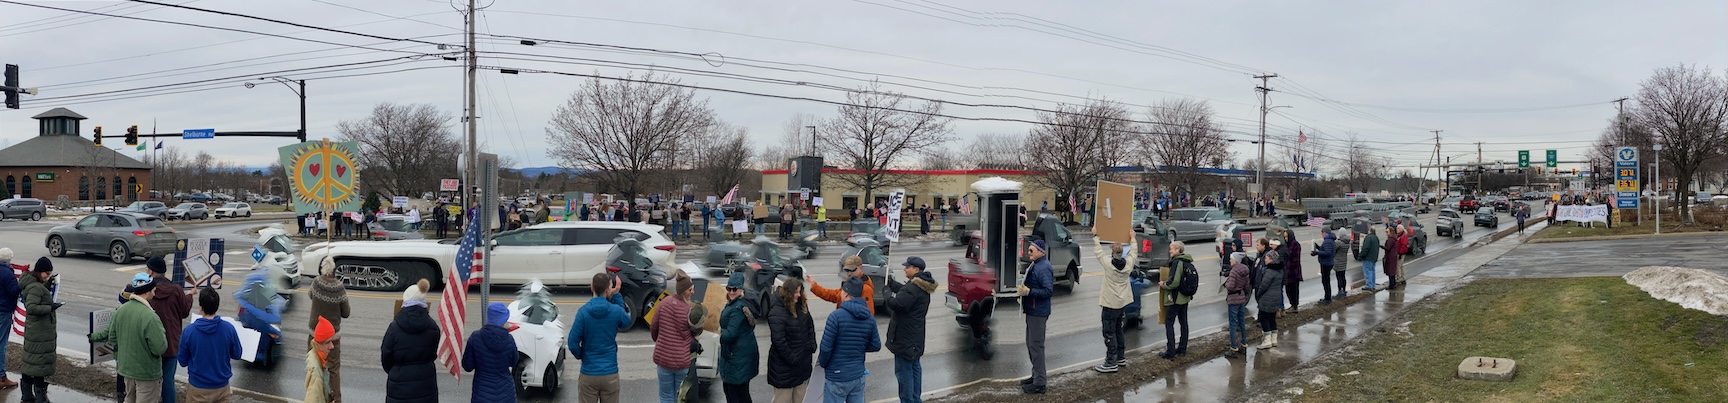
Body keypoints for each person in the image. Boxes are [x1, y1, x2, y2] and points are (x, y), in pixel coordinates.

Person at [91, 273, 168, 403]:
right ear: (147, 291)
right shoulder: (150, 317)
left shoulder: (120, 311)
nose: (155, 292)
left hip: (127, 370)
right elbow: (160, 348)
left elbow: (113, 338)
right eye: (153, 289)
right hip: (146, 373)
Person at [571, 272, 631, 403]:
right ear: (608, 289)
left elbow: (572, 343)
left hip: (588, 372)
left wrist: (582, 355)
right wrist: (616, 295)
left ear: (592, 288)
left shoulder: (583, 312)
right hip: (610, 372)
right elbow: (626, 321)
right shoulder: (615, 310)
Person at [816, 277, 879, 403]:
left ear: (846, 294)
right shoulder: (869, 317)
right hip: (858, 374)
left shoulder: (836, 317)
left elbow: (826, 348)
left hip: (837, 375)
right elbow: (875, 345)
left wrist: (824, 364)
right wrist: (858, 346)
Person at [885, 257, 936, 402]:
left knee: (904, 373)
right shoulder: (921, 285)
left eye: (908, 267)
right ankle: (915, 399)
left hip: (905, 338)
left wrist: (887, 294)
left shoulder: (913, 287)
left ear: (916, 270)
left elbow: (899, 304)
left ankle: (908, 400)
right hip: (914, 337)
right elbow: (906, 293)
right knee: (914, 368)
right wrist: (893, 285)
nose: (904, 269)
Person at [179, 288, 243, 403]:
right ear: (217, 306)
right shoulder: (228, 329)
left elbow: (182, 361)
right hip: (222, 388)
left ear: (200, 307)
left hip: (197, 388)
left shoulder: (189, 331)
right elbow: (237, 354)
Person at [381, 279, 439, 403]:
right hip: (426, 383)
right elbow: (433, 354)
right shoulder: (433, 327)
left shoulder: (394, 328)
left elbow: (386, 357)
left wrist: (396, 370)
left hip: (399, 385)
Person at [145, 256, 193, 403]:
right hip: (171, 342)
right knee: (168, 381)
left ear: (151, 272)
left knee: (149, 382)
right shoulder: (176, 290)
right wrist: (189, 296)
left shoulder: (146, 291)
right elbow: (184, 312)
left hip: (150, 343)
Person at [308, 258, 351, 402]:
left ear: (322, 269)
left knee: (315, 369)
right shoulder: (339, 288)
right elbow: (346, 313)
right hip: (332, 339)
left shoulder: (316, 283)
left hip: (313, 335)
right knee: (333, 371)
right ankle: (336, 399)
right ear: (333, 270)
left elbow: (310, 295)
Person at [766, 277, 815, 403]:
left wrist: (811, 345)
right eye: (796, 292)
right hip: (785, 370)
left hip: (802, 365)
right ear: (788, 293)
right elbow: (779, 341)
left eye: (800, 291)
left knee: (801, 399)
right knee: (783, 399)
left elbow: (809, 326)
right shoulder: (777, 312)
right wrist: (792, 359)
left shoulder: (801, 306)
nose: (799, 295)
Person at [650, 271, 696, 403]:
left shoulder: (664, 303)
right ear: (684, 291)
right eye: (690, 289)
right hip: (682, 361)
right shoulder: (690, 310)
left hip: (663, 359)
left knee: (665, 396)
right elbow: (696, 332)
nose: (692, 291)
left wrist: (658, 340)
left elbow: (654, 325)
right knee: (680, 397)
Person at [1018, 240, 1054, 394]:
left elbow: (1048, 291)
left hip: (1038, 313)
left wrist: (1029, 292)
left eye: (1031, 250)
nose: (1028, 253)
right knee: (1031, 345)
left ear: (1040, 251)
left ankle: (1040, 383)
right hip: (1032, 310)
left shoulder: (1044, 267)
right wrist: (1023, 295)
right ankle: (1036, 375)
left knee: (1036, 346)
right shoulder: (1036, 264)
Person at [462, 302, 518, 403]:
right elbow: (514, 362)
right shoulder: (509, 339)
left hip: (482, 393)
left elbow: (467, 366)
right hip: (506, 392)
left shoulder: (475, 337)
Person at [719, 272, 760, 403]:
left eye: (734, 289)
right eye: (729, 288)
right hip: (741, 358)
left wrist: (717, 330)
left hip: (735, 359)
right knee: (742, 393)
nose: (731, 292)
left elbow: (730, 335)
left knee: (733, 394)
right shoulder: (740, 304)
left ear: (741, 289)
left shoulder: (737, 308)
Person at [1094, 243, 1132, 373]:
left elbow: (1099, 252)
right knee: (1118, 330)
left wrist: (1096, 237)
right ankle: (1120, 357)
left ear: (1112, 253)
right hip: (1121, 303)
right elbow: (1134, 253)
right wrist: (1132, 239)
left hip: (1110, 303)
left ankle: (1111, 362)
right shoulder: (1128, 264)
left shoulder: (1108, 265)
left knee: (1109, 333)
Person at [1159, 242, 1194, 359]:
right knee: (1184, 323)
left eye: (1172, 249)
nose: (1170, 251)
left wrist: (1164, 285)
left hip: (1176, 298)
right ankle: (1182, 348)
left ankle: (1170, 351)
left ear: (1178, 250)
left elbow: (1174, 282)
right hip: (1185, 298)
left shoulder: (1176, 262)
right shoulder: (1186, 261)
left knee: (1169, 323)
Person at [808, 256, 875, 315]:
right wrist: (815, 287)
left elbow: (869, 314)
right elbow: (832, 295)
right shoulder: (849, 284)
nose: (849, 273)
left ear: (861, 268)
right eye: (847, 270)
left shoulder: (866, 289)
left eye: (852, 270)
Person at [1255, 239, 1286, 349]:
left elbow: (1264, 285)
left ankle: (1267, 340)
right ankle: (1274, 339)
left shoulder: (1270, 271)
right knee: (1272, 318)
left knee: (1264, 318)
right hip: (1276, 297)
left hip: (1267, 298)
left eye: (1267, 258)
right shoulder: (1280, 270)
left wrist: (1258, 294)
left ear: (1272, 259)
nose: (1265, 259)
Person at [1223, 252, 1251, 358]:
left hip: (1233, 298)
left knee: (1233, 324)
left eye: (1231, 259)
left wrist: (1226, 283)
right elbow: (1247, 285)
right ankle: (1243, 345)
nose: (1230, 261)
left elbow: (1230, 286)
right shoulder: (1245, 270)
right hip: (1241, 297)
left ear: (1235, 260)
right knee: (1242, 322)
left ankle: (1233, 348)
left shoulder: (1234, 270)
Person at [306, 317, 339, 403]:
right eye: (327, 342)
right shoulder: (316, 374)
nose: (332, 346)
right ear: (319, 344)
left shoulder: (320, 361)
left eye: (331, 342)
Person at [0, 249, 18, 389]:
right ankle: (1, 377)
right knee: (1, 344)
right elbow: (14, 291)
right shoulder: (7, 273)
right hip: (3, 311)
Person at [1313, 228, 1344, 303]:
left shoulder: (1327, 241)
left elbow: (1327, 252)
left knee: (1325, 281)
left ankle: (1327, 298)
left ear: (1325, 233)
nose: (1321, 234)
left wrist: (1317, 253)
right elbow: (1325, 250)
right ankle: (1327, 297)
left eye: (1322, 232)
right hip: (1328, 263)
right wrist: (1317, 247)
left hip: (1326, 263)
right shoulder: (1330, 240)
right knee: (1326, 280)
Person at [1282, 231, 1303, 314]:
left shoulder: (1295, 244)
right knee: (1288, 289)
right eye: (1284, 237)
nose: (1285, 238)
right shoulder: (1286, 245)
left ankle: (1295, 306)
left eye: (1286, 236)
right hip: (1287, 271)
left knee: (1294, 290)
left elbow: (1295, 259)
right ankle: (1292, 304)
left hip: (1294, 271)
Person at [1357, 227, 1381, 291]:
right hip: (1374, 257)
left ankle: (1369, 285)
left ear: (1369, 231)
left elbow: (1365, 248)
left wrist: (1360, 255)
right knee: (1372, 271)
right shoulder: (1376, 238)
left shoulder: (1368, 238)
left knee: (1367, 271)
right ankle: (1372, 285)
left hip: (1368, 257)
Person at [1382, 225, 1402, 291]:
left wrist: (1381, 246)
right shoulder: (1394, 238)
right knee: (1392, 271)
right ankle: (1393, 284)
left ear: (1390, 232)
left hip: (1390, 257)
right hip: (1393, 256)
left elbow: (1388, 248)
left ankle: (1392, 285)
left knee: (1390, 271)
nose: (1386, 233)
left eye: (1387, 232)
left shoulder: (1390, 239)